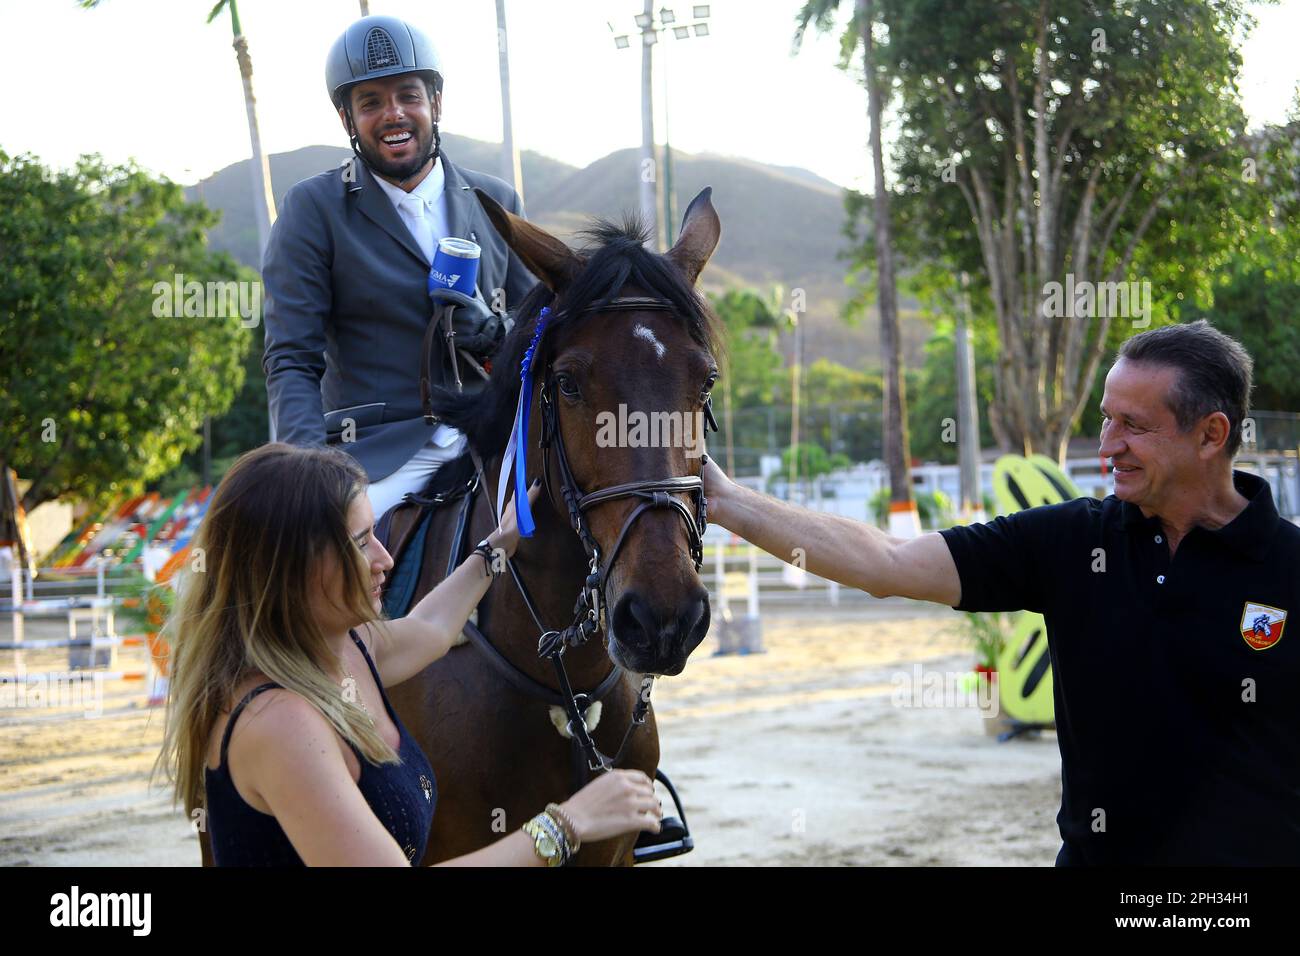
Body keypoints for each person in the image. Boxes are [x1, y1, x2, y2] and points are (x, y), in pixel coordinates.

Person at [701, 320, 1300, 865]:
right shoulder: (1072, 540)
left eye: (1134, 426)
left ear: (1210, 435)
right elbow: (887, 563)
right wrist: (725, 500)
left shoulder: (1289, 567)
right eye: (1105, 418)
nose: (1108, 444)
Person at [155, 443, 660, 866]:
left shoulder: (345, 650)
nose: (385, 559)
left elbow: (429, 627)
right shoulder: (279, 723)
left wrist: (495, 548)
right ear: (292, 570)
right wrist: (568, 823)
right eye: (361, 543)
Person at [262, 14, 535, 520]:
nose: (394, 114)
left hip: (497, 440)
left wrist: (499, 331)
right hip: (378, 457)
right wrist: (307, 473)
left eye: (408, 95)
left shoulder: (498, 200)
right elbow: (293, 361)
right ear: (348, 120)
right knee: (323, 560)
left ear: (435, 102)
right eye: (371, 102)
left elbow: (543, 330)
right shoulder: (312, 209)